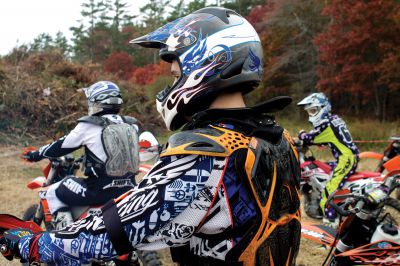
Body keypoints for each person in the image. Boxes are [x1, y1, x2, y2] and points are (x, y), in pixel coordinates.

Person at [0, 7, 300, 265]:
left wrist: (31, 243)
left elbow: (115, 230)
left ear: (211, 61)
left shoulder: (206, 152)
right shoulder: (278, 138)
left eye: (174, 72)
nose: (171, 75)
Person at [23, 80, 140, 229]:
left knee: (51, 192)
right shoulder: (132, 125)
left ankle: (66, 237)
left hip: (98, 190)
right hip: (129, 188)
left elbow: (61, 145)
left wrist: (35, 154)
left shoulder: (90, 125)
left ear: (97, 101)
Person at [297, 92, 359, 224]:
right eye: (309, 112)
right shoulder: (335, 119)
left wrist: (301, 134)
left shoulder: (326, 125)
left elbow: (309, 138)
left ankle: (330, 228)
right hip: (346, 157)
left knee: (328, 194)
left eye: (313, 111)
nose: (311, 115)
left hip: (345, 159)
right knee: (321, 170)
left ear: (323, 108)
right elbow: (331, 138)